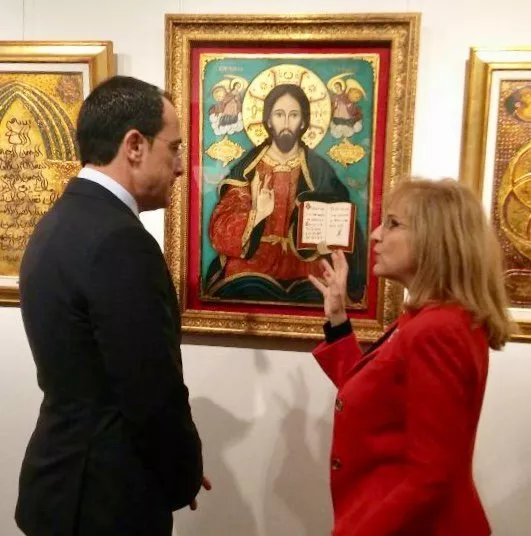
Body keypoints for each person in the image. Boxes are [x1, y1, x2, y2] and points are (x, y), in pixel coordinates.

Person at [15, 76, 209, 536]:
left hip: (60, 481)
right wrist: (180, 471)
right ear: (135, 145)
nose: (180, 167)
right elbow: (149, 389)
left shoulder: (59, 219)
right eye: (174, 148)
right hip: (104, 499)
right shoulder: (120, 241)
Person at [309, 178, 513, 536]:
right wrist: (338, 319)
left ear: (434, 239)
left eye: (392, 223)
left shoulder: (436, 330)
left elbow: (430, 475)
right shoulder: (432, 320)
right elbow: (376, 397)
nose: (376, 235)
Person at [205, 83, 367, 303]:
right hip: (254, 264)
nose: (287, 123)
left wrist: (328, 239)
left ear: (304, 122)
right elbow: (221, 227)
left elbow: (343, 219)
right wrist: (257, 214)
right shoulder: (249, 168)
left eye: (294, 115)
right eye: (279, 114)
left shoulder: (319, 170)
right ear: (269, 120)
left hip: (305, 265)